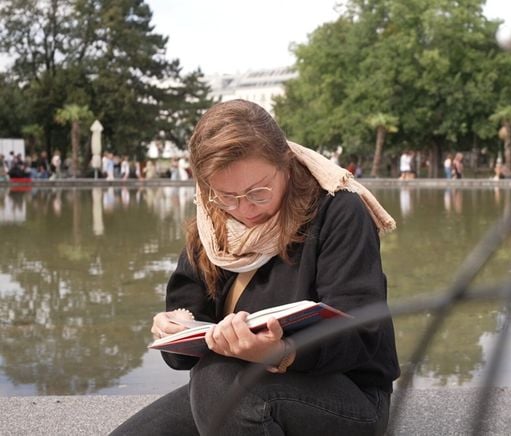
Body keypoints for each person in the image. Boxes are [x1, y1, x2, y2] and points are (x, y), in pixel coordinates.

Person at [111, 99, 399, 435]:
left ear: (286, 165)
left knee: (216, 379)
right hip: (232, 387)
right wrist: (174, 329)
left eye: (257, 192)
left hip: (347, 395)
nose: (244, 209)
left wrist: (282, 352)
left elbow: (363, 332)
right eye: (227, 195)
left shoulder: (339, 211)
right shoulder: (212, 220)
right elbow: (184, 352)